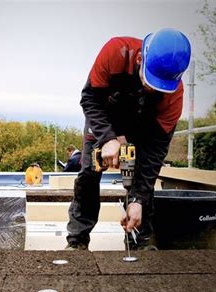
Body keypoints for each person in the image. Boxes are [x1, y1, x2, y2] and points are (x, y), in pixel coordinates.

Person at [66, 28, 191, 250]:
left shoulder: (174, 96)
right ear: (141, 58)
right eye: (148, 80)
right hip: (104, 118)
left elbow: (155, 152)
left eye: (157, 87)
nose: (149, 89)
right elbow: (89, 99)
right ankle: (78, 240)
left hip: (143, 126)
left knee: (143, 177)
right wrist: (107, 139)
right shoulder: (116, 52)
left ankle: (140, 241)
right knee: (88, 173)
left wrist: (138, 199)